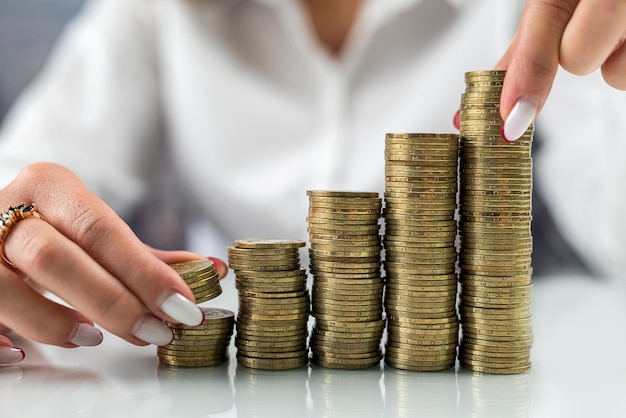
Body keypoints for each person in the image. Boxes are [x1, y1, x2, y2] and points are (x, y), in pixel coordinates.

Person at [0, 0, 624, 366]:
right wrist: (13, 226)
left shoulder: (528, 9)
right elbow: (26, 174)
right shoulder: (151, 14)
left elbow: (615, 232)